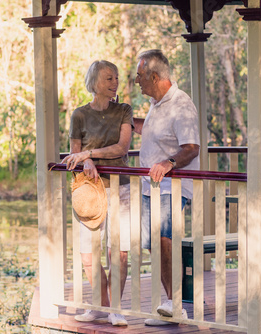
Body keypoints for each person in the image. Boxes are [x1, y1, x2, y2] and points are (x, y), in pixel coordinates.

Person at [62, 60, 133, 327]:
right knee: (88, 254)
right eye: (108, 79)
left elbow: (121, 149)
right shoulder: (79, 115)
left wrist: (90, 154)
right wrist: (85, 161)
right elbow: (74, 153)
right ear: (95, 83)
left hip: (120, 187)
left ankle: (116, 309)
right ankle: (99, 305)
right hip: (90, 190)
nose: (115, 83)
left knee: (119, 251)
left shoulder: (124, 110)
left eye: (116, 78)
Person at [132, 49, 200, 326]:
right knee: (155, 245)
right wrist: (122, 119)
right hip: (152, 186)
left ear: (155, 76)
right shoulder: (156, 103)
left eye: (139, 75)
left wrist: (168, 163)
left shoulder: (181, 105)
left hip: (172, 185)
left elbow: (191, 148)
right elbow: (153, 133)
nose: (136, 81)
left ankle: (177, 307)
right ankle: (171, 305)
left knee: (165, 240)